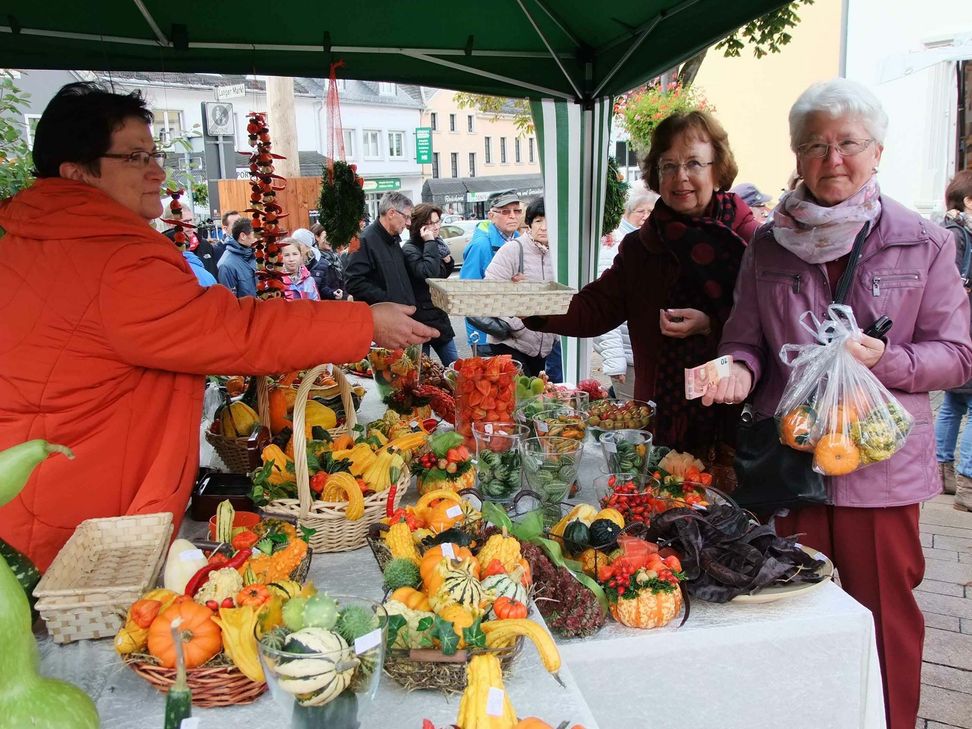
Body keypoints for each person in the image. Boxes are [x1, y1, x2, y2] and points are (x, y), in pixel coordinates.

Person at [0, 82, 438, 569]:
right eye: (136, 158)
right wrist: (364, 323)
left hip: (35, 492)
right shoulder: (110, 257)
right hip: (83, 517)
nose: (157, 171)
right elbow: (234, 331)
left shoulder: (26, 238)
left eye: (154, 152)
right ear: (76, 172)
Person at [702, 79, 972, 729]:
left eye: (848, 142)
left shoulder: (923, 242)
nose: (833, 158)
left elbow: (959, 355)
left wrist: (890, 361)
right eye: (814, 144)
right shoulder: (767, 245)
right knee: (791, 620)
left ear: (876, 150)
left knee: (885, 625)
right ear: (797, 155)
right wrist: (736, 367)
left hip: (878, 471)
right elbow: (745, 339)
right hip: (792, 465)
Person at [523, 110, 757, 459]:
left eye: (694, 163)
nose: (681, 177)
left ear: (717, 169)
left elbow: (773, 326)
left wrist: (712, 324)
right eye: (668, 166)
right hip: (659, 416)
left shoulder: (750, 241)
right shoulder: (641, 247)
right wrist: (533, 302)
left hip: (734, 418)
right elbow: (596, 307)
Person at [594, 188, 658, 398]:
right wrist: (615, 362)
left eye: (651, 211)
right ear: (627, 213)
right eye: (641, 211)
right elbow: (604, 310)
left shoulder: (652, 244)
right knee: (633, 420)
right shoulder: (613, 248)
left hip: (648, 354)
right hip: (628, 358)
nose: (646, 216)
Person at [485, 199, 558, 375]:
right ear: (529, 224)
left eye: (549, 221)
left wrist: (554, 333)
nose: (544, 227)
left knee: (534, 394)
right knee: (519, 396)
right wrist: (518, 324)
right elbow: (490, 291)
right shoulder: (512, 250)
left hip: (542, 345)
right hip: (509, 342)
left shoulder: (559, 255)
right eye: (538, 221)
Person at [935, 169, 972, 510]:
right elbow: (954, 287)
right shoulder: (957, 235)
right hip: (962, 330)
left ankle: (943, 470)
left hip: (957, 331)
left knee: (955, 403)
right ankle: (967, 483)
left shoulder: (954, 231)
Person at [460, 190, 522, 353]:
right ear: (491, 215)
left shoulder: (519, 240)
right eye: (505, 212)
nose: (512, 216)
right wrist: (495, 329)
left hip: (515, 333)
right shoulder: (480, 246)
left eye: (516, 211)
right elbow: (466, 295)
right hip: (487, 337)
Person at [402, 203, 458, 366]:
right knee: (420, 371)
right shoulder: (410, 249)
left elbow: (442, 274)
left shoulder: (436, 244)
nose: (435, 227)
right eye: (430, 223)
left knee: (455, 367)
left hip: (438, 316)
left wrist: (447, 260)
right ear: (419, 225)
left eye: (437, 221)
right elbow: (429, 274)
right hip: (420, 319)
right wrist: (429, 242)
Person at [346, 191, 419, 309]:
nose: (408, 223)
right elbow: (354, 283)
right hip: (384, 318)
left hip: (402, 314)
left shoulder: (393, 239)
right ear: (391, 213)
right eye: (406, 217)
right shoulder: (362, 240)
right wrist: (389, 300)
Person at [217, 217, 258, 297]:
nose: (257, 239)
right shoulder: (226, 265)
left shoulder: (253, 255)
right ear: (243, 236)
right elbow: (229, 302)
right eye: (255, 235)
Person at [308, 222, 346, 300]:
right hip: (326, 304)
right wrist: (333, 294)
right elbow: (319, 287)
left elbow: (342, 282)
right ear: (317, 237)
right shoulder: (315, 260)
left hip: (339, 301)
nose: (330, 240)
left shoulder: (335, 257)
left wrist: (345, 295)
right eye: (326, 237)